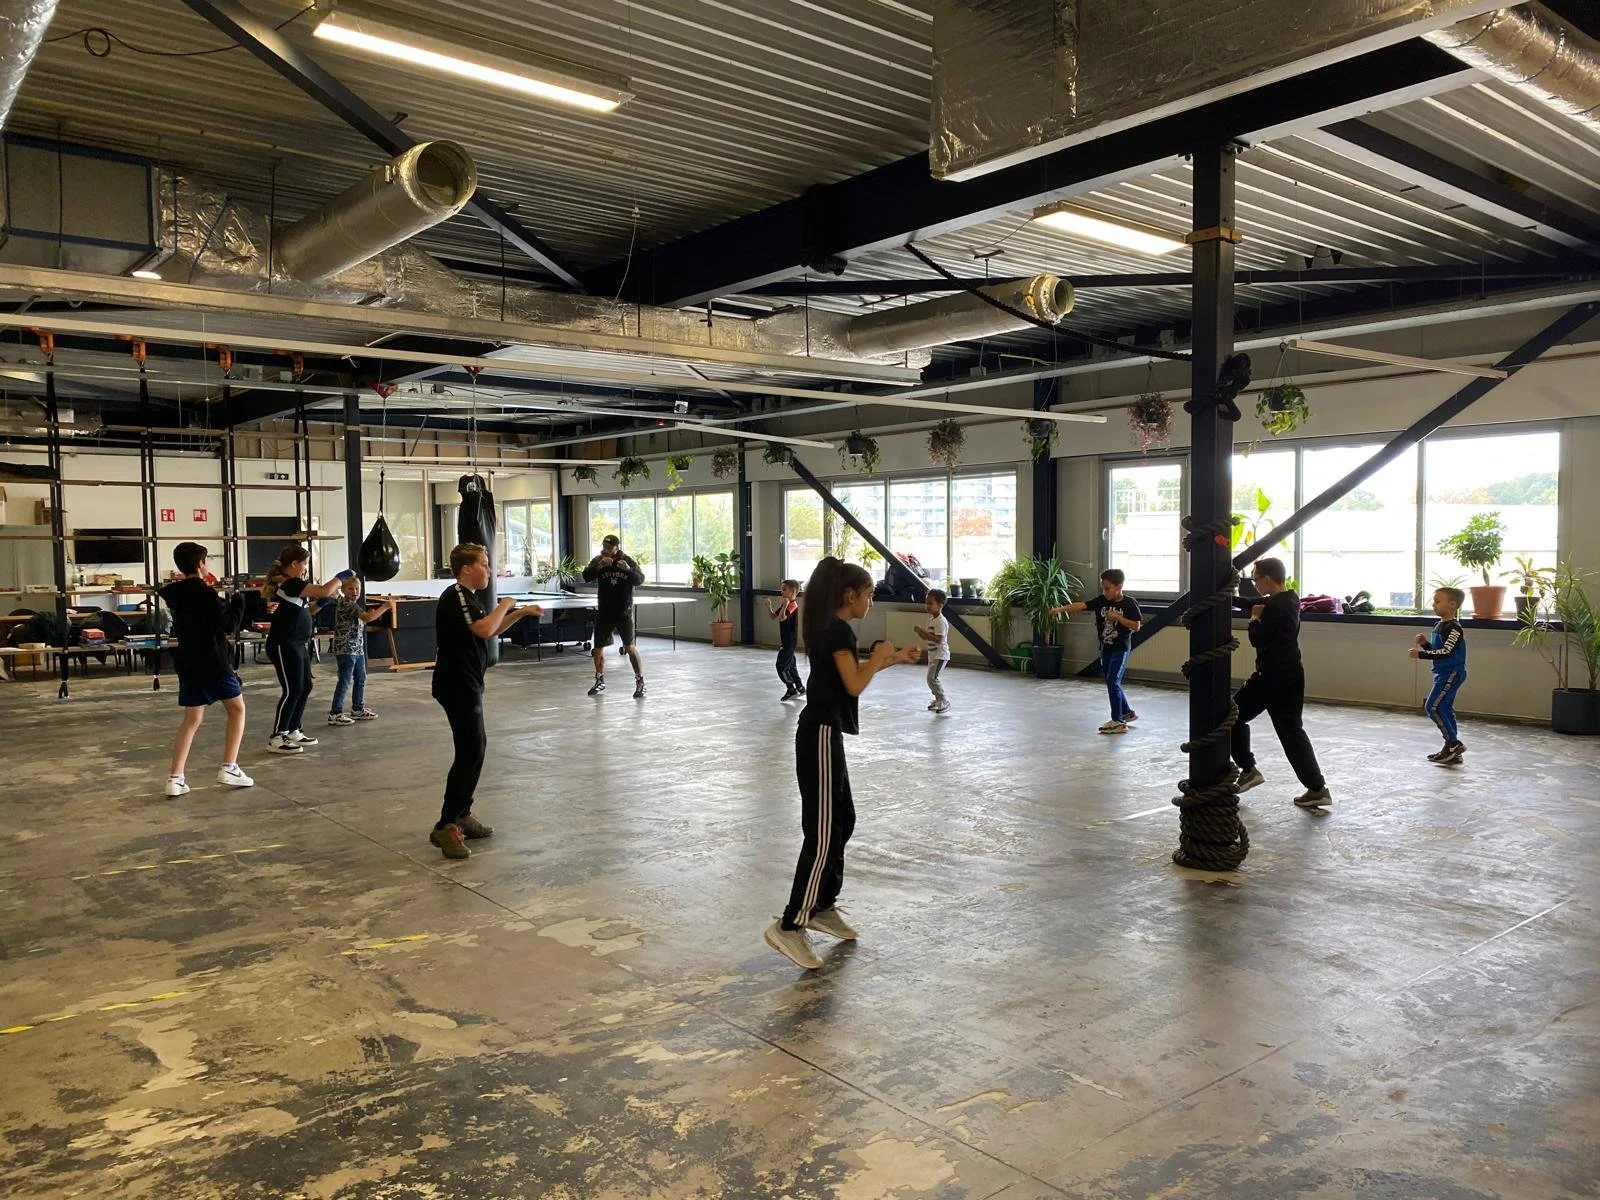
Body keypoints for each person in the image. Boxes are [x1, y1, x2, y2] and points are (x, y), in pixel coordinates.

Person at [764, 557, 921, 971]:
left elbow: (847, 675)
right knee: (822, 832)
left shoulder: (834, 628)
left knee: (843, 819)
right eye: (869, 594)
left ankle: (822, 905)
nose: (872, 601)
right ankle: (791, 924)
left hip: (826, 733)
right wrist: (880, 655)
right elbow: (854, 683)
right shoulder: (836, 630)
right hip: (817, 734)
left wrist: (892, 658)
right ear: (849, 595)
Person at [429, 543, 543, 860]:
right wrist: (505, 603)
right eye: (484, 564)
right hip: (456, 684)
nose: (489, 570)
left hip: (469, 682)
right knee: (471, 750)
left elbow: (491, 630)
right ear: (466, 569)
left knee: (475, 748)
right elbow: (483, 629)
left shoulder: (470, 598)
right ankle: (446, 823)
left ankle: (462, 813)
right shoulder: (457, 595)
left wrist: (520, 612)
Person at [1232, 557, 1332, 809]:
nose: (1254, 584)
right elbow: (1251, 603)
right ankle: (1317, 788)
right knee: (1292, 732)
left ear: (1267, 579)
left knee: (1230, 716)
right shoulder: (1289, 599)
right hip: (1291, 675)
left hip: (1271, 678)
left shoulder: (1275, 607)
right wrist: (1227, 597)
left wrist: (1254, 620)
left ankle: (1248, 769)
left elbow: (1258, 638)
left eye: (1255, 579)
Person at [159, 542, 253, 796]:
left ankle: (175, 778)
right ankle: (229, 767)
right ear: (201, 564)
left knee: (192, 719)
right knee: (237, 710)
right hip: (214, 661)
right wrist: (238, 600)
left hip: (189, 662)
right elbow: (228, 624)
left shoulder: (176, 594)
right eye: (206, 560)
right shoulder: (206, 594)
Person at [261, 545, 343, 755]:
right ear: (294, 564)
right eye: (304, 563)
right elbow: (324, 589)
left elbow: (308, 610)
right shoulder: (290, 583)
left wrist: (324, 602)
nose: (306, 568)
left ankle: (293, 729)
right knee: (292, 689)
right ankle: (278, 736)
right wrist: (342, 577)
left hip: (297, 644)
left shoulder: (294, 586)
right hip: (284, 643)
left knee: (305, 686)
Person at [1052, 568, 1142, 733]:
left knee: (1113, 681)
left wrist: (1118, 617)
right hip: (1106, 648)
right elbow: (1082, 605)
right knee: (1110, 681)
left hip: (1120, 649)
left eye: (1108, 588)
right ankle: (1127, 712)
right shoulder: (1101, 601)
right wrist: (1061, 609)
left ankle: (1118, 721)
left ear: (1119, 586)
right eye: (1103, 588)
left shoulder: (1129, 603)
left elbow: (1136, 626)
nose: (1105, 592)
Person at [582, 534, 647, 699]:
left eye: (609, 548)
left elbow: (640, 579)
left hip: (623, 612)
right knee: (597, 648)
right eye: (604, 547)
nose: (606, 550)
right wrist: (599, 566)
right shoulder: (599, 560)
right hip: (605, 612)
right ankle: (599, 679)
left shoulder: (627, 561)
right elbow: (586, 576)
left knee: (629, 647)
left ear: (617, 548)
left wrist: (628, 570)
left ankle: (640, 681)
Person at [1410, 585, 1468, 765]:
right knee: (1445, 708)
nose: (1433, 605)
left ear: (1452, 605)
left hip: (1452, 672)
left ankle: (1453, 743)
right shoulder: (1438, 626)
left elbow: (1446, 652)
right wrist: (1425, 644)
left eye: (1437, 601)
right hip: (1442, 672)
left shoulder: (1454, 628)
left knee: (1432, 706)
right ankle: (1452, 750)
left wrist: (1421, 654)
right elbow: (1437, 650)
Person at [327, 576, 392, 726]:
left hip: (357, 648)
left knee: (360, 677)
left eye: (357, 589)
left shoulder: (352, 604)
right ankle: (335, 712)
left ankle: (357, 708)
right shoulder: (348, 605)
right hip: (346, 649)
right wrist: (385, 607)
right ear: (343, 590)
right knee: (345, 680)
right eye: (350, 589)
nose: (355, 592)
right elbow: (367, 618)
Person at [913, 588, 952, 714]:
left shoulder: (940, 622)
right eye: (926, 603)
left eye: (931, 603)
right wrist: (920, 632)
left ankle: (943, 700)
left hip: (940, 655)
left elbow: (939, 640)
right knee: (931, 679)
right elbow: (926, 637)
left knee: (932, 678)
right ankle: (938, 699)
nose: (927, 606)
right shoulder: (931, 620)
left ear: (940, 605)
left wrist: (923, 632)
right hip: (933, 654)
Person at [767, 579, 805, 701]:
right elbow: (774, 616)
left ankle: (791, 688)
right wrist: (769, 607)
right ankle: (800, 687)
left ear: (792, 591)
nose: (781, 592)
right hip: (786, 641)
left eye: (784, 589)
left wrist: (784, 606)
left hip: (789, 642)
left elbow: (782, 618)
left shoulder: (792, 605)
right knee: (791, 666)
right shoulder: (786, 605)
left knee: (781, 666)